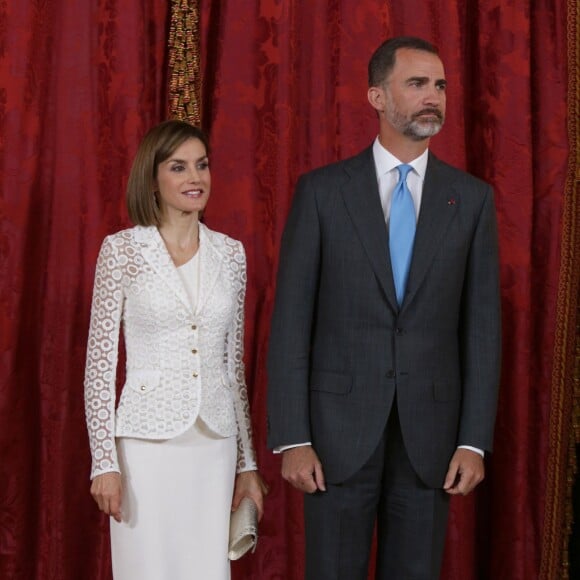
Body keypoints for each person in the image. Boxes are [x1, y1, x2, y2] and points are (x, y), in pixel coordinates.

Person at [267, 36, 501, 580]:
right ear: (376, 96)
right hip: (333, 440)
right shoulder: (322, 193)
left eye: (440, 85)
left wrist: (473, 440)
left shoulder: (471, 200)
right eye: (417, 83)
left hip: (433, 443)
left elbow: (483, 330)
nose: (433, 96)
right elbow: (291, 323)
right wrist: (294, 438)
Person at [84, 120, 267, 580]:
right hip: (145, 447)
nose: (195, 179)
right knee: (146, 568)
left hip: (214, 444)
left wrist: (248, 465)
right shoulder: (122, 251)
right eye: (179, 167)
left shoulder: (231, 254)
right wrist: (103, 462)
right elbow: (99, 368)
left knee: (206, 570)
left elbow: (233, 366)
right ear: (153, 179)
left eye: (202, 166)